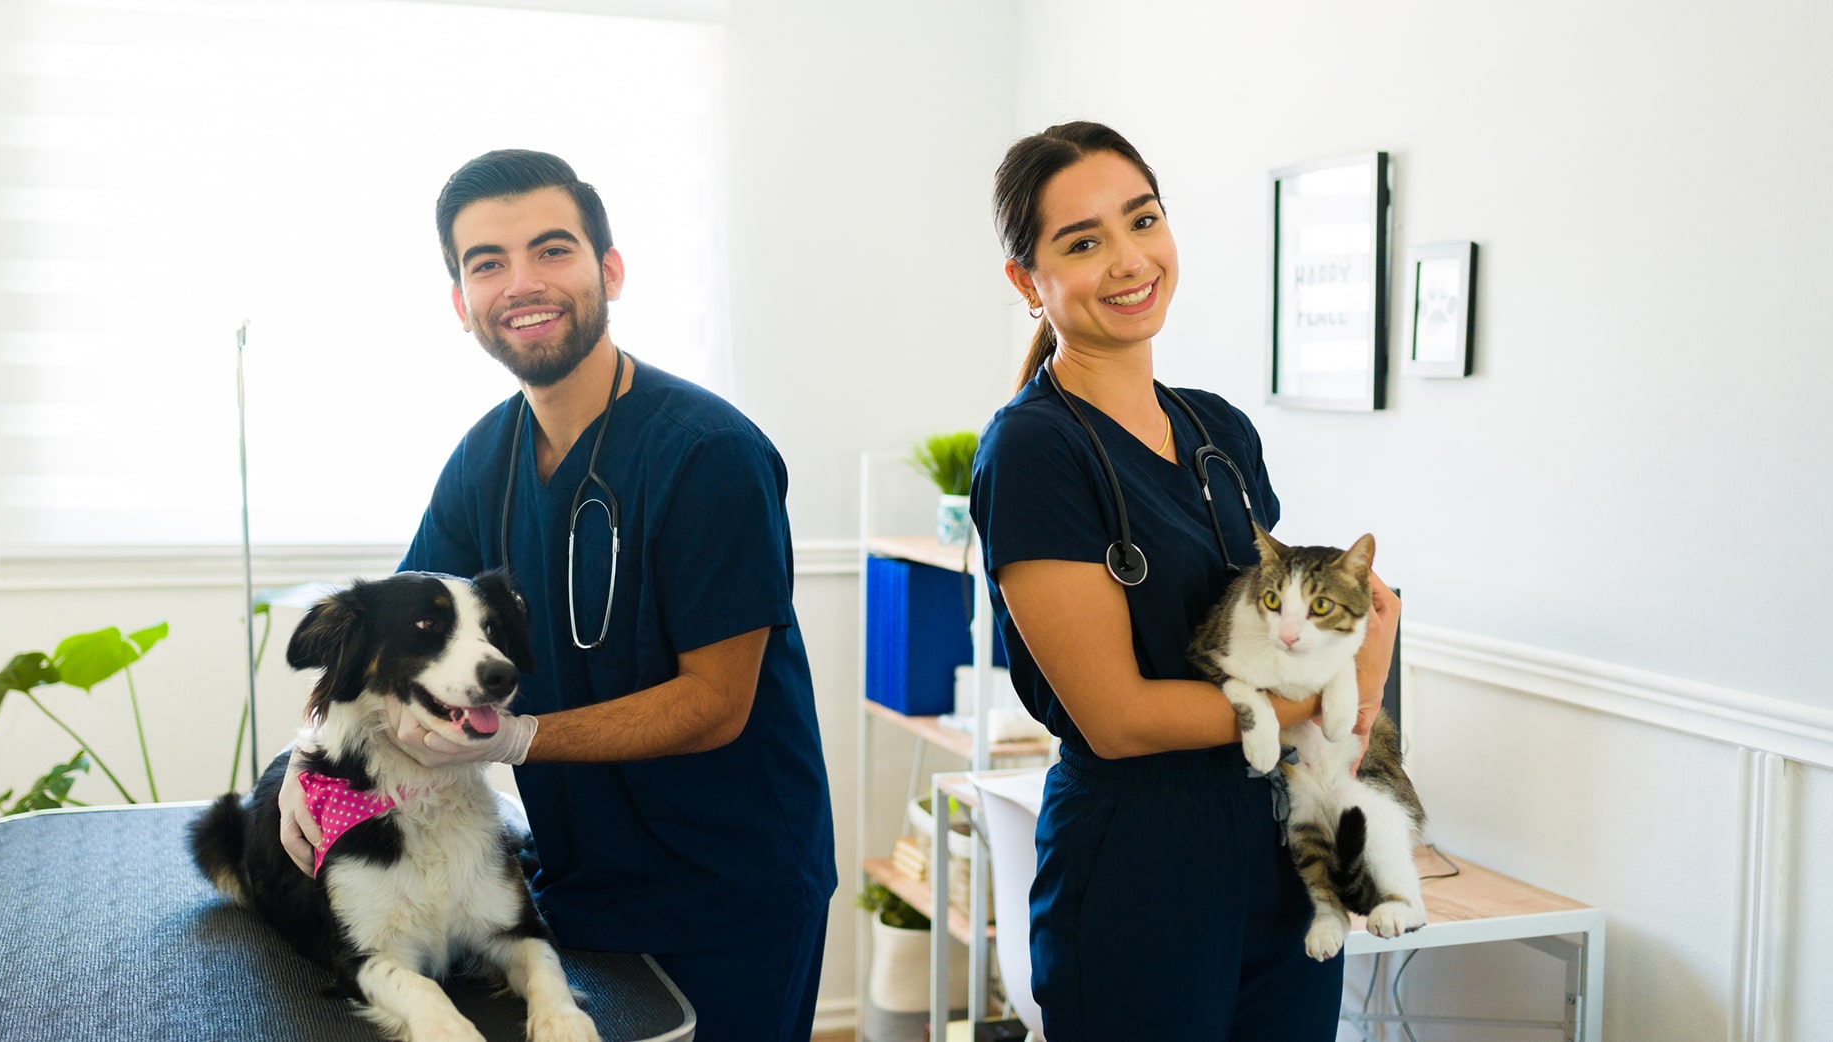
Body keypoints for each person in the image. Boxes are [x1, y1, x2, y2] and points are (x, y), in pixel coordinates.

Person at [279, 149, 836, 1042]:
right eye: (486, 264)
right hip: (572, 883)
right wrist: (306, 764)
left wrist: (520, 738)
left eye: (552, 250)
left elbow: (718, 705)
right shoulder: (483, 462)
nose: (521, 283)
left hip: (728, 891)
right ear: (461, 305)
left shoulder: (709, 455)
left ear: (609, 269)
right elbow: (395, 650)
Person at [970, 122, 1401, 1040]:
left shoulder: (1219, 433)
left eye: (1144, 220)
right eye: (1083, 242)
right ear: (1026, 281)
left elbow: (1318, 618)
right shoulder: (1036, 451)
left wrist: (1354, 691)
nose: (1129, 261)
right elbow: (1119, 718)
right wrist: (1321, 702)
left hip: (1279, 847)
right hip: (1140, 864)